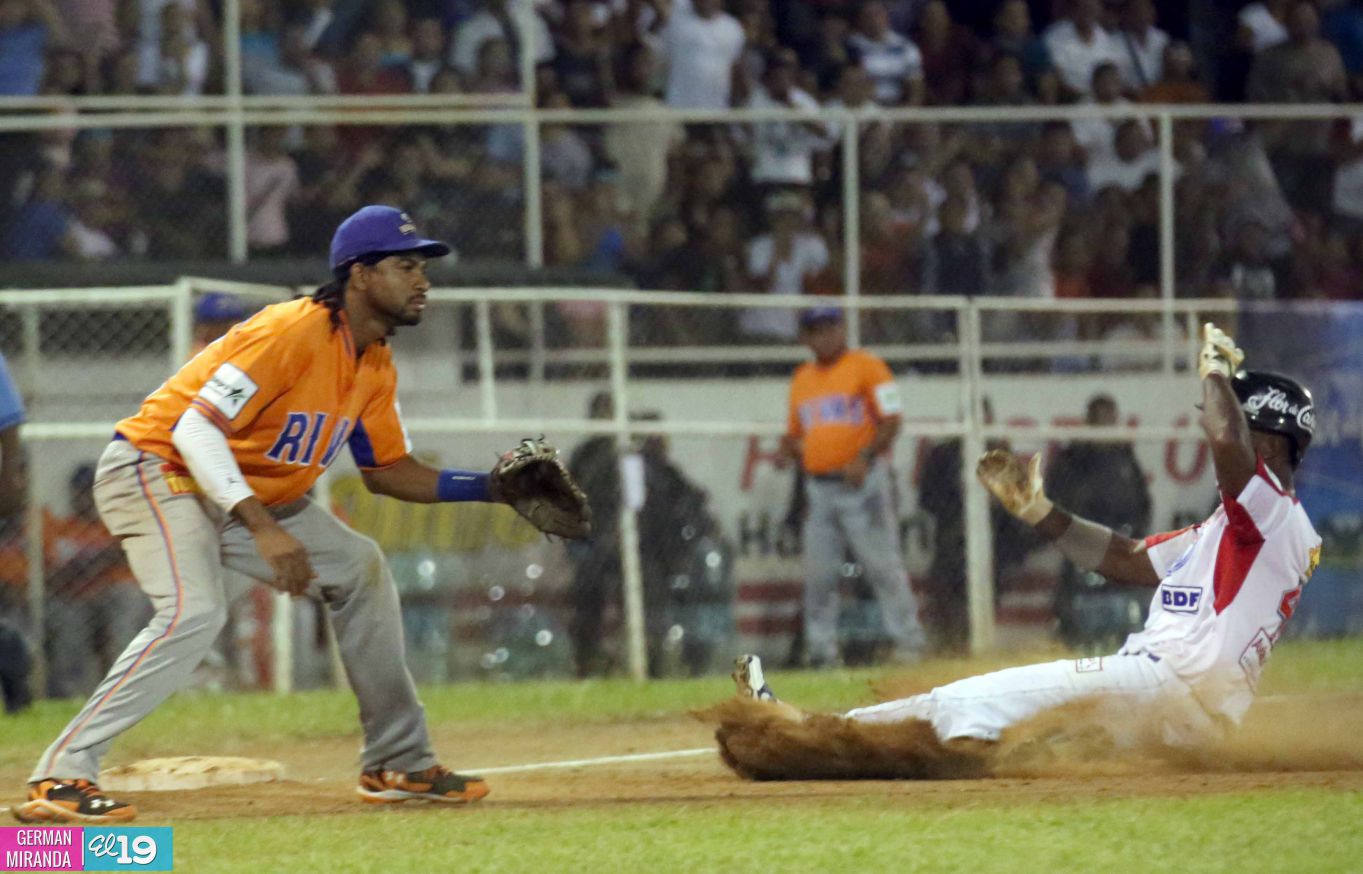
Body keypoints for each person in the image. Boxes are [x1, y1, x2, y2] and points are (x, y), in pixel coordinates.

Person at [14, 205, 504, 824]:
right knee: (194, 610)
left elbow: (388, 473)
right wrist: (264, 527)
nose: (423, 280)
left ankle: (398, 763)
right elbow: (196, 428)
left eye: (422, 267)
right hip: (157, 468)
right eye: (406, 265)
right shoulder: (292, 331)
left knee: (359, 565)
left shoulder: (373, 363)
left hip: (240, 492)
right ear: (358, 274)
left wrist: (492, 487)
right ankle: (60, 775)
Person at [732, 323, 1320, 764]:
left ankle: (804, 733)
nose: (1211, 425)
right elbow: (1127, 559)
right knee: (1025, 749)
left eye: (1242, 427)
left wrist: (1216, 371)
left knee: (966, 703)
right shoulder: (1235, 527)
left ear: (1266, 446)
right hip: (1181, 713)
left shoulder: (1272, 511)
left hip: (1164, 682)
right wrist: (1040, 511)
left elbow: (1224, 435)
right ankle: (853, 748)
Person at [777, 307, 926, 667]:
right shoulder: (802, 378)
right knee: (820, 575)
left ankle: (909, 644)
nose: (822, 336)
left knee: (882, 566)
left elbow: (892, 421)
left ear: (841, 329)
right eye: (814, 330)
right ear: (805, 337)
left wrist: (865, 454)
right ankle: (821, 652)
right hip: (819, 489)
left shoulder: (867, 366)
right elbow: (799, 434)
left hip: (863, 485)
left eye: (828, 327)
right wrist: (790, 448)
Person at [1047, 394, 1152, 646]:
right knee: (1075, 578)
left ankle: (1133, 635)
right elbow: (1057, 501)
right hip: (1083, 539)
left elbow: (1142, 502)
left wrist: (1135, 532)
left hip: (1123, 538)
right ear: (1090, 421)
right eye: (1102, 418)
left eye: (1111, 418)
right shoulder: (1072, 458)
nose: (1108, 424)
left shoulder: (1124, 456)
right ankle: (1072, 632)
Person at [43, 464, 151, 699]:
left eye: (93, 491)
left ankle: (124, 690)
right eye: (81, 492)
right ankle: (72, 696)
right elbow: (55, 575)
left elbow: (126, 555)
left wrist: (89, 565)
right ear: (72, 494)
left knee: (125, 599)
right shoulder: (61, 529)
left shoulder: (117, 525)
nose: (88, 498)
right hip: (75, 599)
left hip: (111, 598)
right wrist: (103, 559)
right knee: (68, 621)